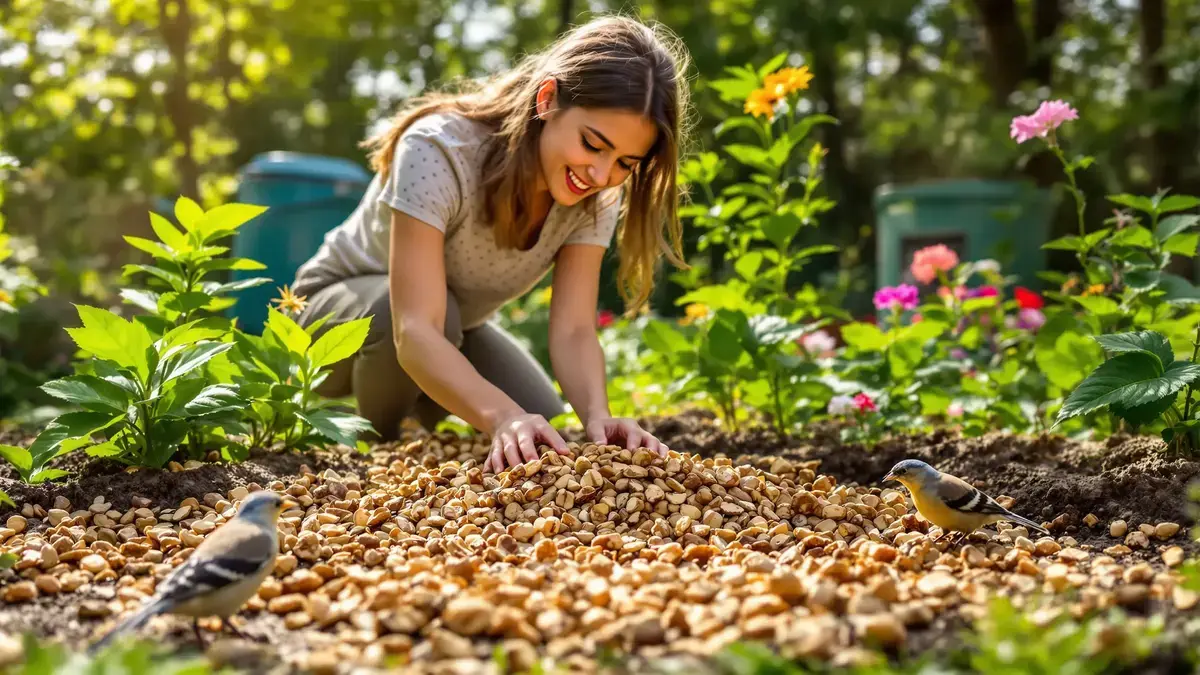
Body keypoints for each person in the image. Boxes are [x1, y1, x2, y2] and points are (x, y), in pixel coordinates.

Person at [288, 15, 693, 473]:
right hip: (333, 320)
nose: (601, 175)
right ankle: (375, 450)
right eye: (592, 144)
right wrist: (500, 416)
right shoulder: (438, 149)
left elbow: (574, 331)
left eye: (625, 163)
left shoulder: (595, 195)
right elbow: (416, 327)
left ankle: (423, 409)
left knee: (544, 422)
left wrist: (599, 417)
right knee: (436, 331)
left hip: (452, 327)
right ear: (547, 100)